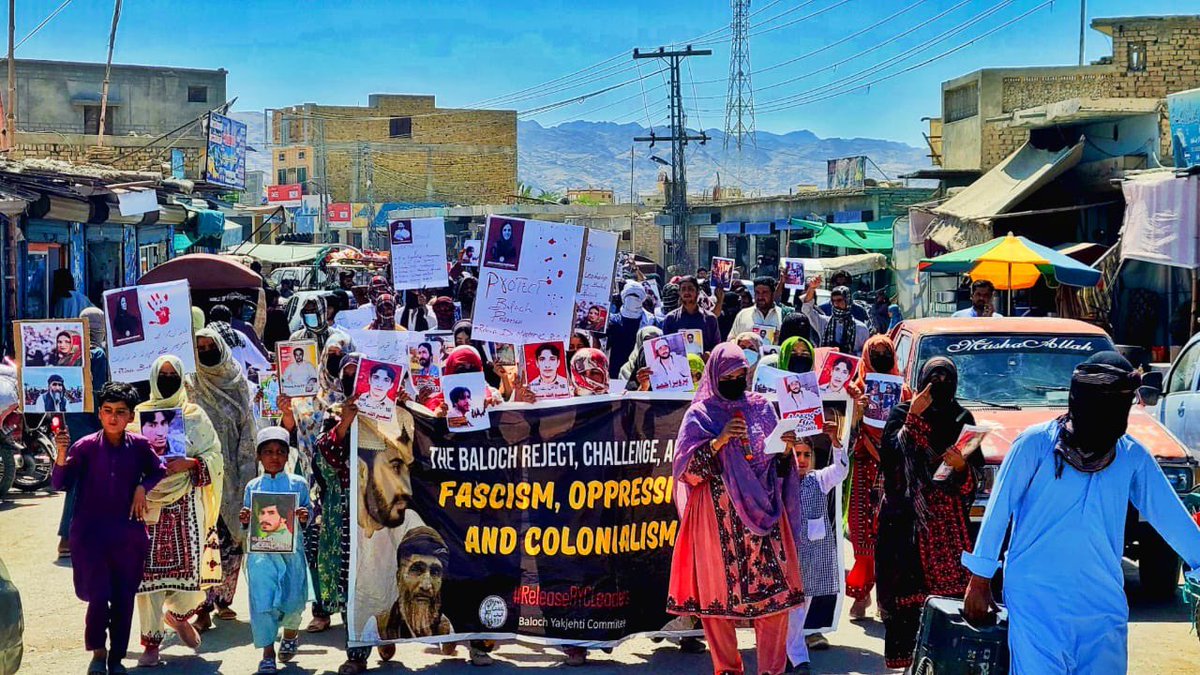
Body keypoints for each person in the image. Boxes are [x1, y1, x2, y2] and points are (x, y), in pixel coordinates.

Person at [962, 352, 1200, 673]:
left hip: (1102, 605)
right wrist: (979, 580)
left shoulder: (1131, 455)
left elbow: (1171, 517)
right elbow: (998, 511)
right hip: (1036, 600)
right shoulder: (1034, 445)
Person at [667, 343, 804, 675]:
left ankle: (772, 669)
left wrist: (786, 451)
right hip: (716, 525)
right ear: (715, 375)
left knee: (775, 603)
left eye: (741, 374)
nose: (736, 380)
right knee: (718, 604)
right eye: (729, 375)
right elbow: (687, 473)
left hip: (764, 520)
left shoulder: (761, 407)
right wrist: (719, 441)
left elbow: (778, 467)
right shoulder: (700, 415)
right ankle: (727, 670)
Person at [52, 381, 166, 675]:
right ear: (99, 414)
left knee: (124, 599)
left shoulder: (140, 446)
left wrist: (143, 487)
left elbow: (158, 470)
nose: (113, 417)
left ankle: (116, 658)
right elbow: (60, 483)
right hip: (90, 536)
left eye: (120, 412)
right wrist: (61, 454)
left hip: (128, 535)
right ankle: (98, 653)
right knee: (99, 597)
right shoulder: (85, 446)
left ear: (130, 417)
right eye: (107, 411)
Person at [876, 357, 982, 670]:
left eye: (945, 380)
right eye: (933, 379)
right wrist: (912, 419)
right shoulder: (902, 412)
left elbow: (973, 470)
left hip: (948, 526)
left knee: (949, 606)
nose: (939, 386)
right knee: (906, 602)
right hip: (905, 522)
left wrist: (962, 466)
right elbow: (891, 461)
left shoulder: (962, 416)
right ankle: (905, 666)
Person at [132, 355, 224, 668]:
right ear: (155, 378)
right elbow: (128, 457)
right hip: (150, 503)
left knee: (194, 579)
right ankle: (151, 644)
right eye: (164, 374)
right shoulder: (140, 415)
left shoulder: (194, 415)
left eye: (174, 374)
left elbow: (214, 455)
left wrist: (192, 463)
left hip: (186, 503)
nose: (168, 379)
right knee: (147, 580)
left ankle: (179, 616)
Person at [279, 334, 351, 635]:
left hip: (349, 483)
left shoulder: (358, 392)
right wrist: (286, 412)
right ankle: (321, 610)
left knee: (347, 548)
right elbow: (288, 433)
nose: (336, 361)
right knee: (315, 544)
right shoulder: (307, 393)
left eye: (341, 355)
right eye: (331, 354)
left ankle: (351, 609)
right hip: (313, 479)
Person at [189, 328, 260, 631]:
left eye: (210, 346)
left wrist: (247, 475)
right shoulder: (189, 384)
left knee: (232, 542)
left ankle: (223, 600)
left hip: (233, 475)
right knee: (204, 542)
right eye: (199, 347)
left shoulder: (237, 383)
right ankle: (201, 605)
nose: (206, 351)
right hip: (197, 475)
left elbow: (248, 429)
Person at [845, 335, 910, 621]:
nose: (882, 355)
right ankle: (862, 593)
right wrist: (856, 413)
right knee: (862, 533)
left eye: (886, 351)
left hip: (894, 469)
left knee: (890, 535)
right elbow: (843, 436)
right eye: (877, 351)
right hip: (864, 466)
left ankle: (887, 596)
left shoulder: (905, 391)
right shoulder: (855, 388)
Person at [241, 426, 311, 675]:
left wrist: (304, 516)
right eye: (268, 452)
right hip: (262, 558)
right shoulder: (252, 486)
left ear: (287, 455)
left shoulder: (299, 484)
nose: (274, 457)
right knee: (263, 603)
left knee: (293, 602)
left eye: (280, 452)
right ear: (259, 456)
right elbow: (247, 521)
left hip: (291, 556)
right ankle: (268, 653)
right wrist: (246, 518)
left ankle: (291, 633)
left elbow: (308, 515)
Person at [786, 422, 850, 673]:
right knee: (789, 608)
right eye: (797, 454)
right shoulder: (782, 480)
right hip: (789, 555)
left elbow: (841, 471)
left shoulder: (818, 479)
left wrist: (835, 442)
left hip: (812, 556)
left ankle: (794, 655)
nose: (801, 460)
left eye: (806, 455)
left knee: (802, 607)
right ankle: (796, 657)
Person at [57, 308, 111, 558]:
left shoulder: (66, 353)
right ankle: (68, 537)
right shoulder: (97, 354)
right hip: (90, 425)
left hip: (70, 422)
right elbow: (100, 392)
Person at [362, 527, 454, 641]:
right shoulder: (378, 628)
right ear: (399, 577)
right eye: (417, 570)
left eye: (435, 572)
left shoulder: (446, 629)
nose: (426, 585)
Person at [606, 281, 659, 378]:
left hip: (641, 371)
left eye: (636, 295)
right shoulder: (613, 320)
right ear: (623, 296)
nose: (633, 298)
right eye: (630, 294)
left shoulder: (651, 321)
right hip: (616, 371)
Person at [801, 279, 868, 355]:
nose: (836, 304)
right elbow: (806, 310)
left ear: (848, 301)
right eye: (833, 301)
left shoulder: (861, 328)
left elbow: (865, 353)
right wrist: (812, 288)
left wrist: (849, 355)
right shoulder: (824, 323)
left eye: (839, 300)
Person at [662, 275, 721, 357]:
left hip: (705, 367)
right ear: (679, 292)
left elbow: (717, 347)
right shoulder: (670, 319)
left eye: (690, 289)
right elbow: (666, 348)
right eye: (683, 289)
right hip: (680, 368)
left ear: (697, 292)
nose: (686, 293)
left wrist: (708, 354)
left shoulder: (710, 319)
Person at [208, 304, 272, 378]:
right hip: (237, 383)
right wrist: (269, 367)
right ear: (230, 320)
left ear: (210, 320)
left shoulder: (203, 338)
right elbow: (259, 361)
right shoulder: (237, 335)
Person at [729, 276, 792, 341]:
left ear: (772, 294)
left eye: (764, 292)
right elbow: (731, 340)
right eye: (757, 292)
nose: (760, 297)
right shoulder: (743, 314)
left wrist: (781, 338)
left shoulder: (782, 315)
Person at [621, 326, 663, 391]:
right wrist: (643, 387)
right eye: (647, 341)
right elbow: (625, 398)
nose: (651, 345)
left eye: (655, 341)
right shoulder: (626, 370)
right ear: (639, 341)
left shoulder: (669, 366)